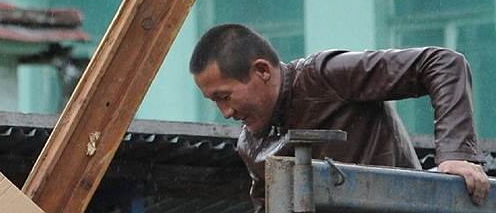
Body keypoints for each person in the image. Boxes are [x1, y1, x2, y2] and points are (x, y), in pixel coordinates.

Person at [190, 23, 490, 212]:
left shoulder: (324, 76)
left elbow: (442, 64)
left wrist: (456, 155)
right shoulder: (250, 145)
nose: (225, 113)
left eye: (224, 96)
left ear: (262, 71)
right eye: (214, 102)